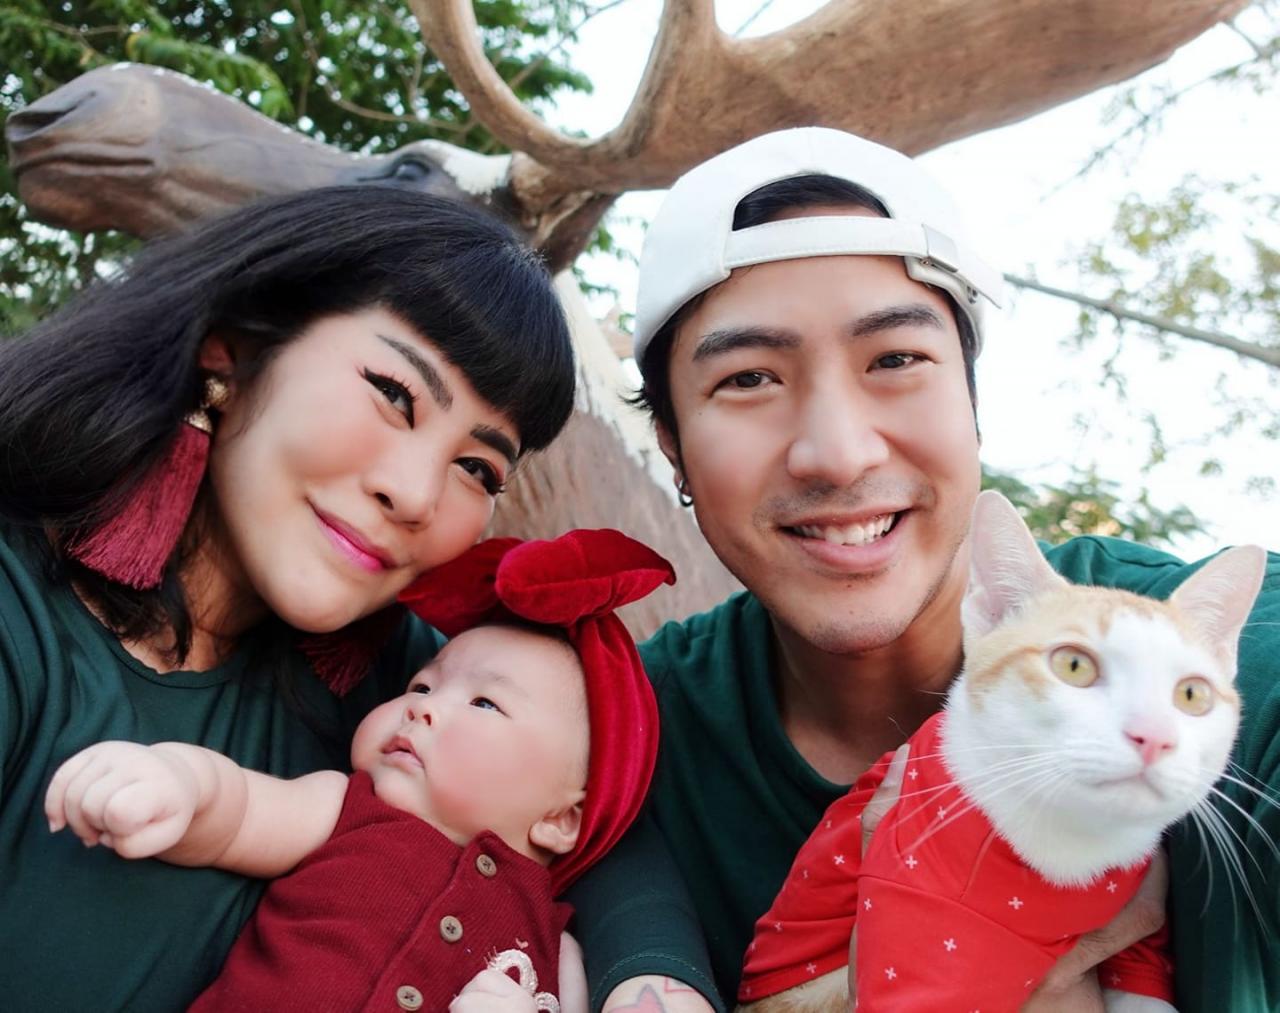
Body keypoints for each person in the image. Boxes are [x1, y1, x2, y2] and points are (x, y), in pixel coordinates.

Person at [565, 128, 1280, 1013]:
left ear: (973, 403)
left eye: (897, 359)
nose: (838, 452)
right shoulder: (615, 728)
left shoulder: (1210, 651)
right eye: (748, 378)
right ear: (672, 447)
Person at [0, 184, 577, 1010]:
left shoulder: (409, 691)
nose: (417, 495)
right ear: (233, 350)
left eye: (478, 468)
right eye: (395, 394)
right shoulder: (18, 606)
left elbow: (612, 802)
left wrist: (649, 968)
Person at [45, 529, 673, 1012]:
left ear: (562, 819)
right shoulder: (347, 807)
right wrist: (175, 780)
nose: (421, 708)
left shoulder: (558, 951)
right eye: (421, 686)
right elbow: (239, 810)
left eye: (485, 703)